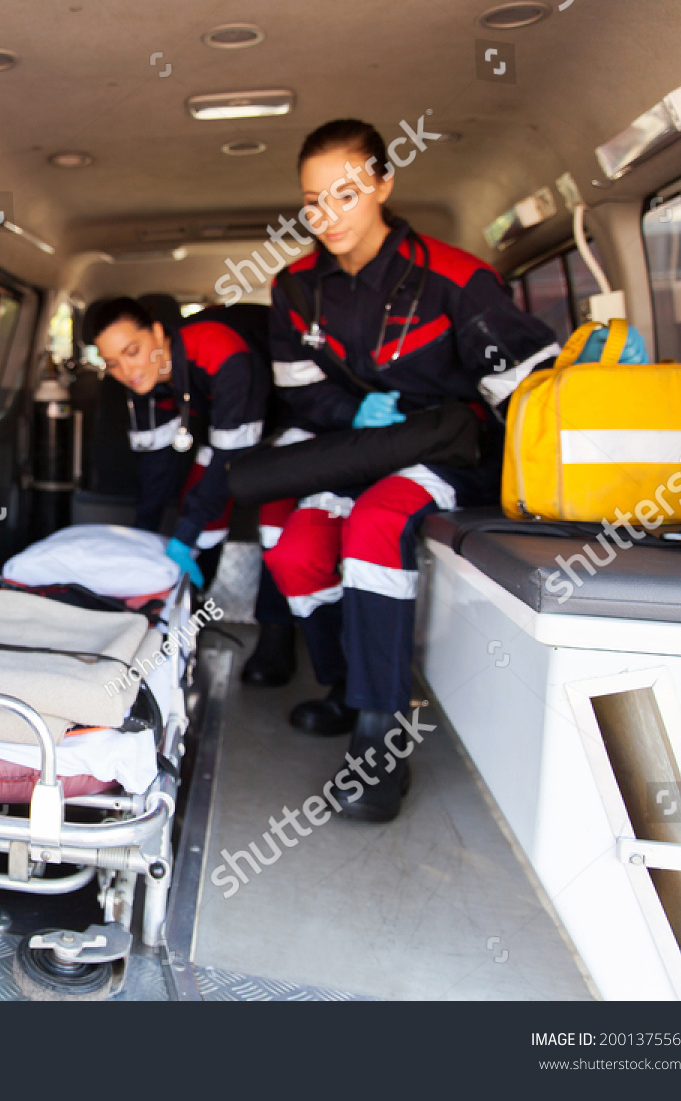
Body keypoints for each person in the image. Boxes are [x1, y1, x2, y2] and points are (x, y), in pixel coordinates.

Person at [263, 119, 559, 821]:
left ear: (384, 184)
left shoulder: (456, 279)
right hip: (360, 443)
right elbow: (297, 383)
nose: (326, 215)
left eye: (345, 193)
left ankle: (379, 736)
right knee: (298, 549)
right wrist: (351, 412)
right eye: (312, 200)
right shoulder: (295, 287)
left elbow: (530, 391)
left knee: (376, 522)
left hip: (451, 447)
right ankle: (342, 684)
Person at [85, 297, 298, 685]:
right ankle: (187, 614)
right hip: (230, 427)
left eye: (132, 351)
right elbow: (156, 470)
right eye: (112, 362)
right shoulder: (142, 379)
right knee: (200, 509)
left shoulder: (221, 351)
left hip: (290, 421)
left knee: (274, 522)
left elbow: (232, 455)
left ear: (159, 334)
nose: (126, 369)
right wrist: (144, 546)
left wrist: (183, 533)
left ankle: (276, 633)